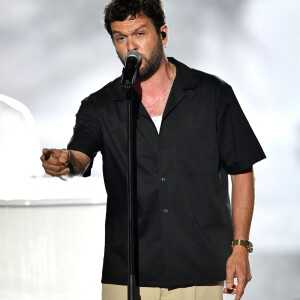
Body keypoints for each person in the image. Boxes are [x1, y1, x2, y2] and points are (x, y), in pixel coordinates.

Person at [41, 1, 266, 299]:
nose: (131, 45)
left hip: (198, 269)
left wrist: (241, 248)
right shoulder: (99, 106)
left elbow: (241, 171)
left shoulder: (213, 94)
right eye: (121, 38)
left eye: (140, 34)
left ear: (163, 34)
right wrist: (66, 161)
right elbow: (80, 155)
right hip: (128, 274)